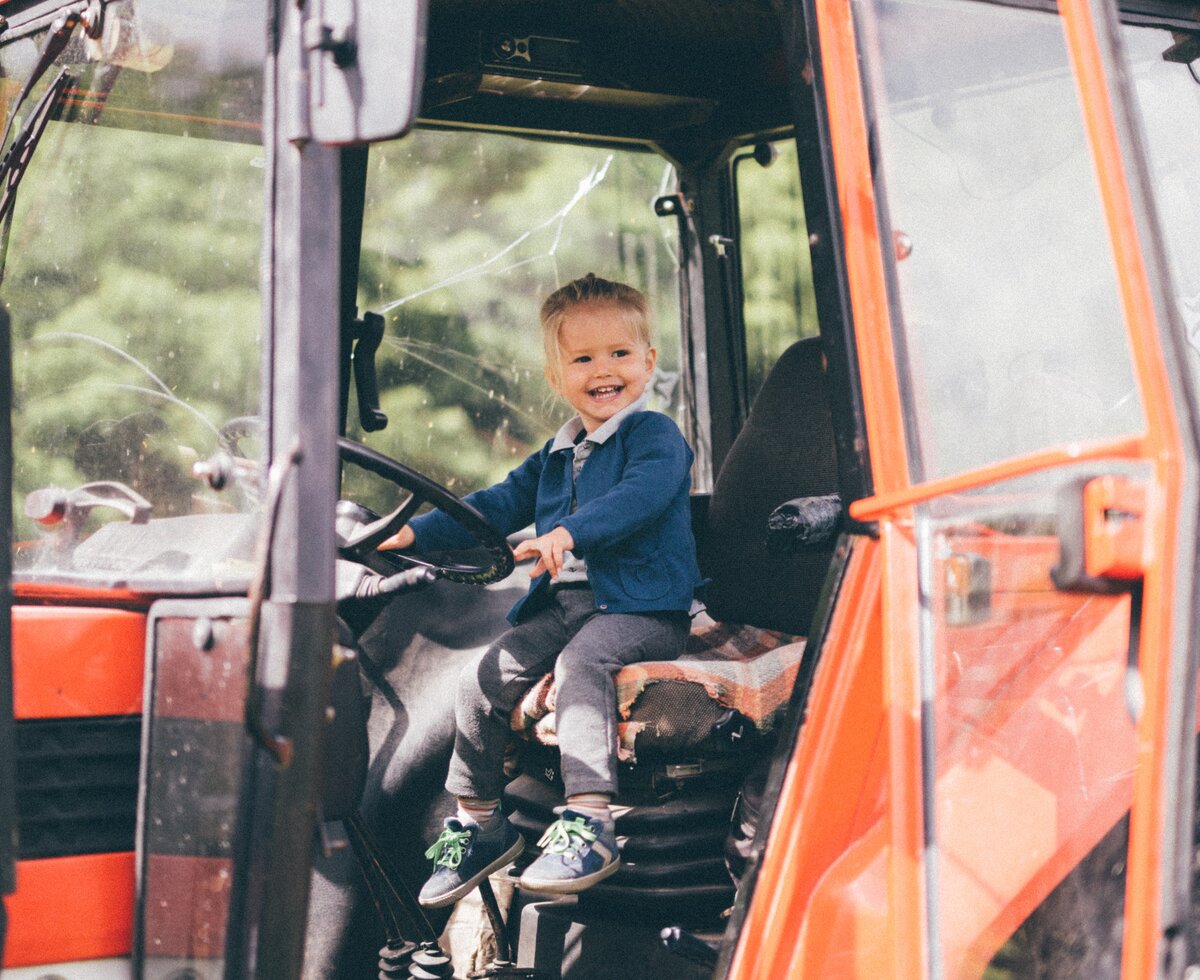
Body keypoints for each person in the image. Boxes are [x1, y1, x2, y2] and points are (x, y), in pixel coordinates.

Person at [380, 273, 702, 908]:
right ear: (557, 378)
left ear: (648, 362)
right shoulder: (558, 453)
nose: (603, 370)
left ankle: (590, 823)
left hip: (642, 607)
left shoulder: (653, 437)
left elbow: (643, 497)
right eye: (582, 359)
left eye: (619, 354)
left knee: (581, 664)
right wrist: (409, 534)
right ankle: (480, 823)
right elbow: (495, 505)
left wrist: (569, 533)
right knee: (482, 678)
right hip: (571, 609)